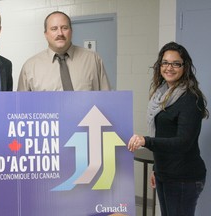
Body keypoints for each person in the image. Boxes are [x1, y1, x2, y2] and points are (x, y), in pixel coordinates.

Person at [128, 42, 209, 216]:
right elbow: (163, 134)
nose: (169, 68)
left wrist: (145, 141)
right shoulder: (162, 93)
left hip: (184, 177)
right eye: (165, 63)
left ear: (184, 67)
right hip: (165, 174)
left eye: (175, 63)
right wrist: (156, 168)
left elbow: (183, 142)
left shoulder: (190, 98)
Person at [17, 11, 110, 91]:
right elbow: (21, 106)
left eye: (64, 28)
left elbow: (107, 98)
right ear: (45, 34)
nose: (60, 33)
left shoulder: (93, 59)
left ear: (71, 31)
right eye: (54, 29)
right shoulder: (30, 67)